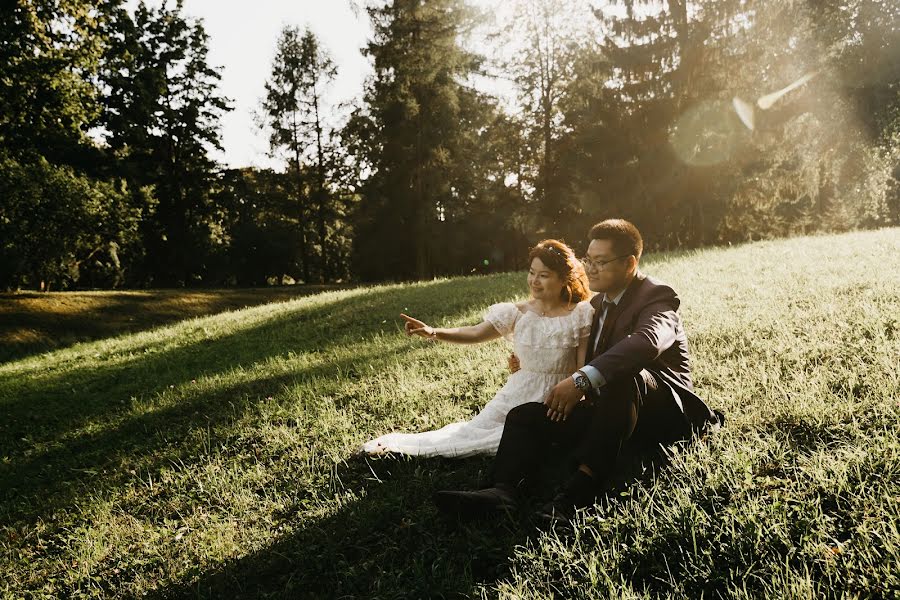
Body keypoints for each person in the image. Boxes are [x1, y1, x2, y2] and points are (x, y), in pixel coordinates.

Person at [433, 219, 724, 524]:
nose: (591, 268)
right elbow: (570, 342)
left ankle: (576, 495)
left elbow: (647, 342)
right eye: (588, 259)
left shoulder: (657, 296)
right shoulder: (595, 304)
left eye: (601, 261)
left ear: (630, 263)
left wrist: (582, 379)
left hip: (662, 413)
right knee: (523, 416)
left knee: (624, 377)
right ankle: (502, 492)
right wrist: (530, 360)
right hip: (611, 411)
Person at [359, 240, 594, 458]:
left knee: (506, 440)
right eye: (531, 272)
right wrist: (433, 332)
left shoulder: (580, 314)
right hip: (517, 392)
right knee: (470, 433)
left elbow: (582, 366)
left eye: (544, 275)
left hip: (556, 399)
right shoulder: (516, 312)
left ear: (564, 278)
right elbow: (475, 332)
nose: (534, 280)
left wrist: (577, 397)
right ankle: (402, 446)